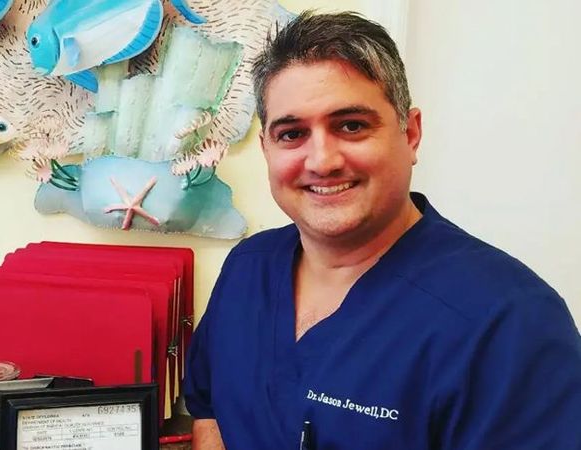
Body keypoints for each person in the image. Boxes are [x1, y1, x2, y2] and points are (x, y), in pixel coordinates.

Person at [183, 10, 581, 450]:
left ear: (410, 134)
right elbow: (209, 409)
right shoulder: (247, 269)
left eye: (351, 126)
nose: (322, 160)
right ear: (266, 150)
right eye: (292, 134)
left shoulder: (510, 323)